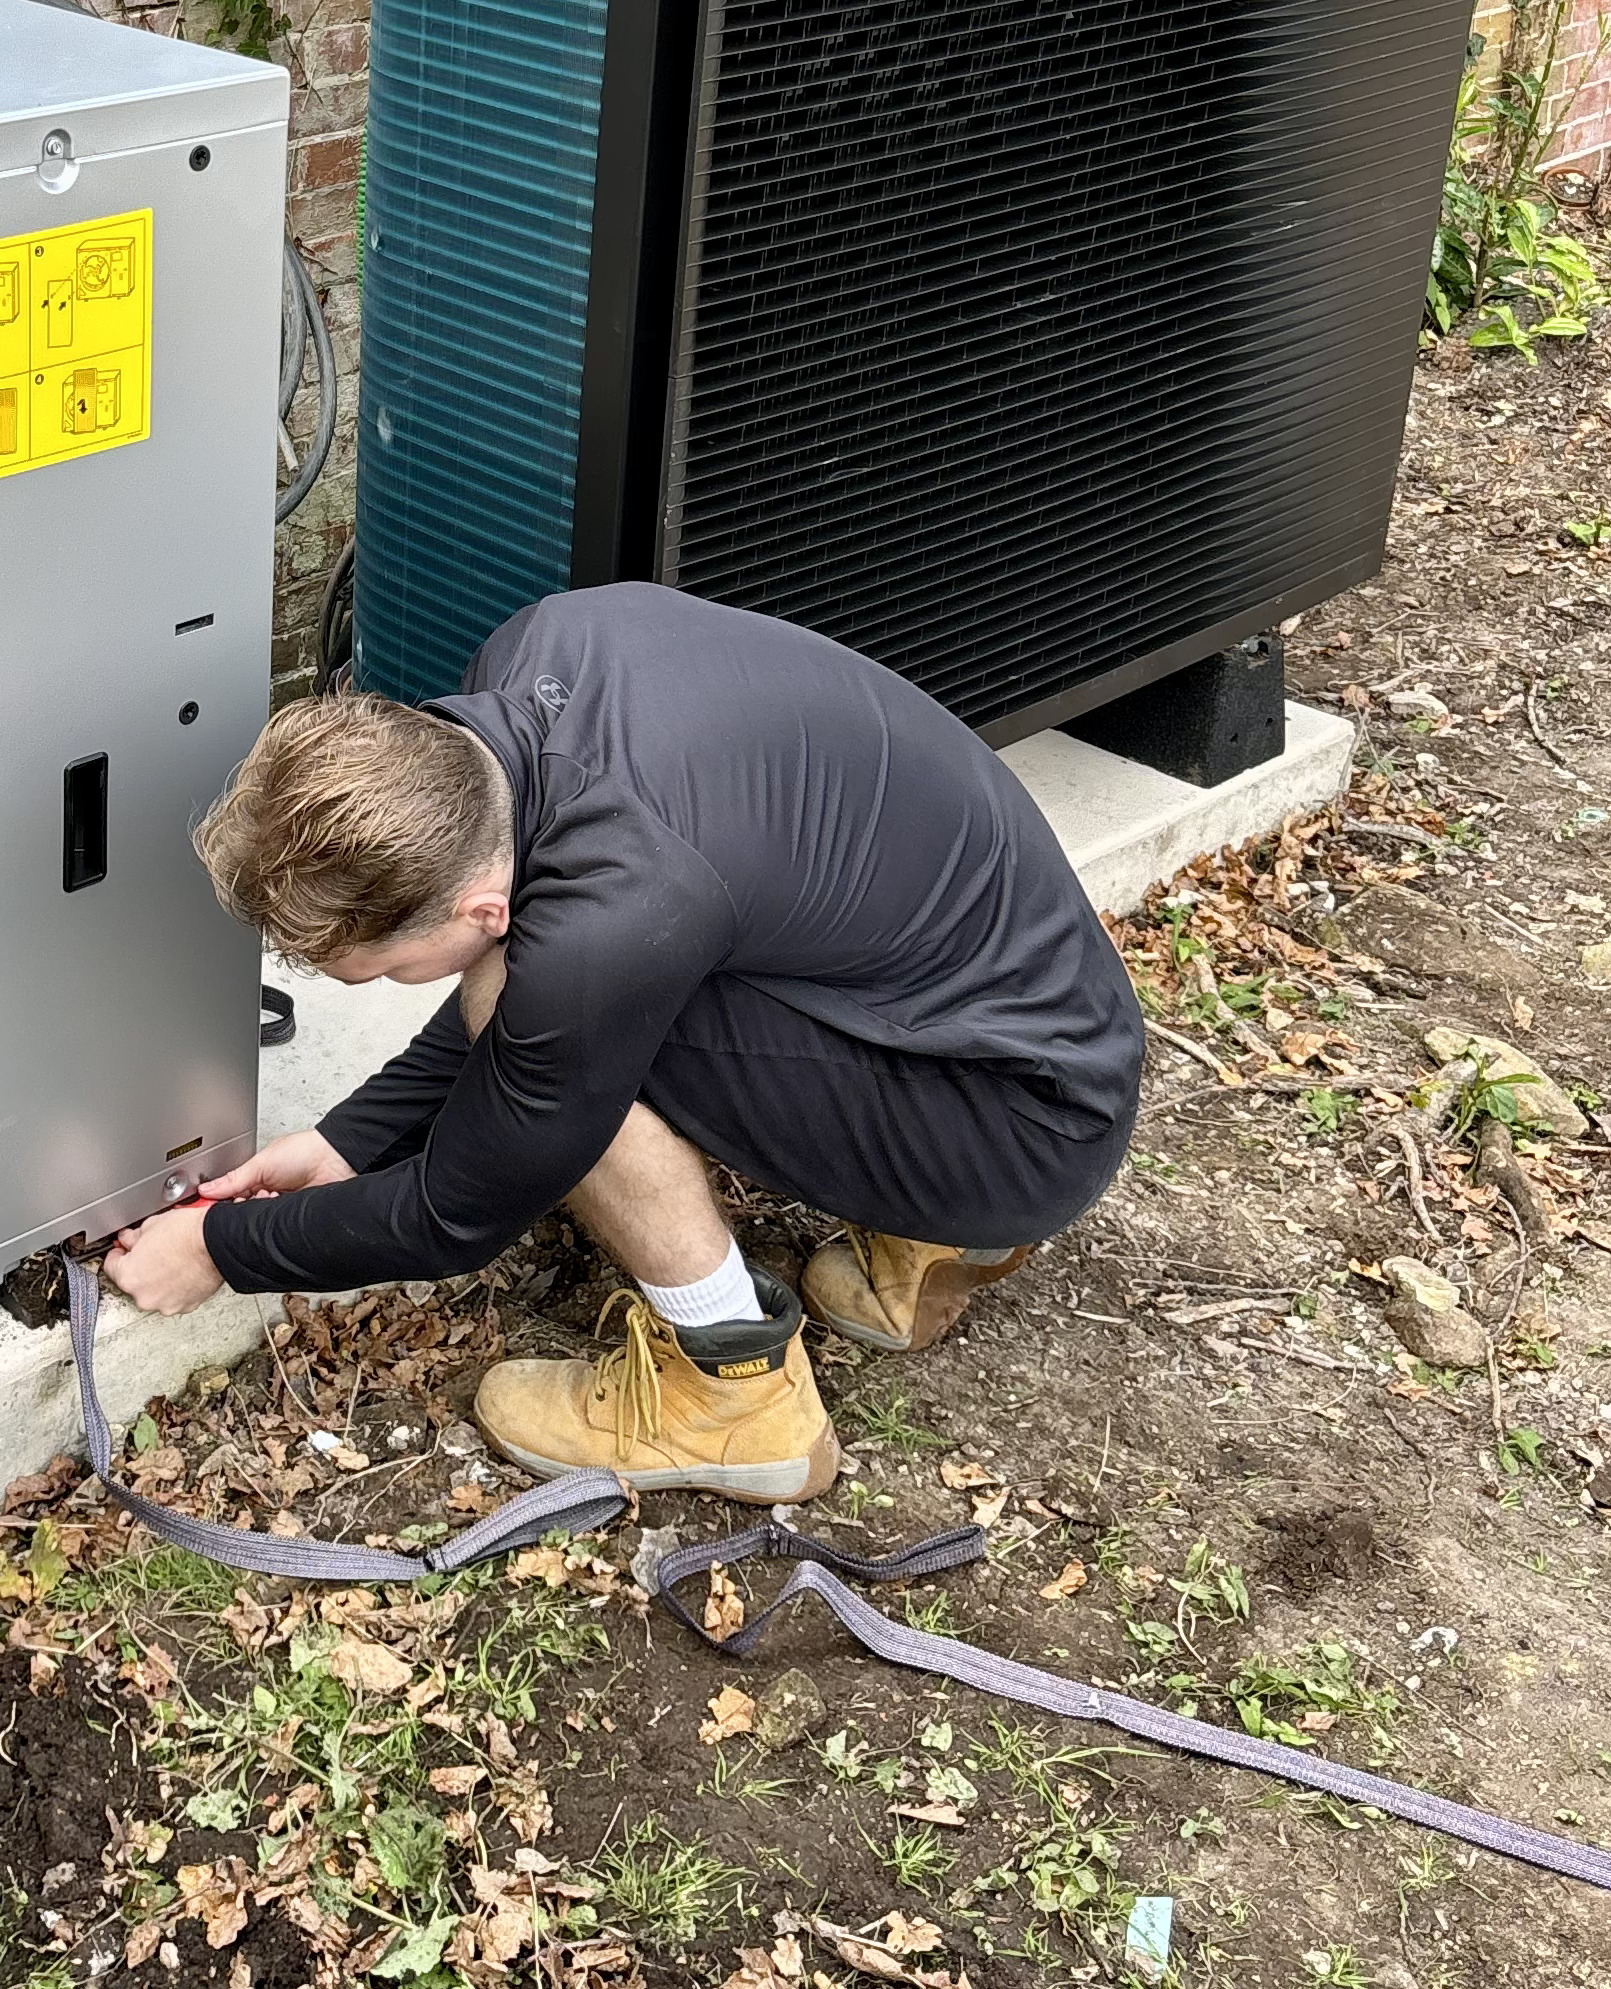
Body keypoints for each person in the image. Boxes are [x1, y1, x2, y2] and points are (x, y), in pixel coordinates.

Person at [103, 582, 1144, 1498]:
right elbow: (551, 969)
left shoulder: (615, 917)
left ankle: (737, 1394)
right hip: (1018, 1026)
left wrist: (217, 1250)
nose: (371, 986)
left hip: (1022, 1125)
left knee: (544, 1015)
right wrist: (344, 1141)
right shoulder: (541, 653)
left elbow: (452, 1214)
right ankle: (930, 1235)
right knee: (552, 1004)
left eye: (374, 970)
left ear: (478, 908)